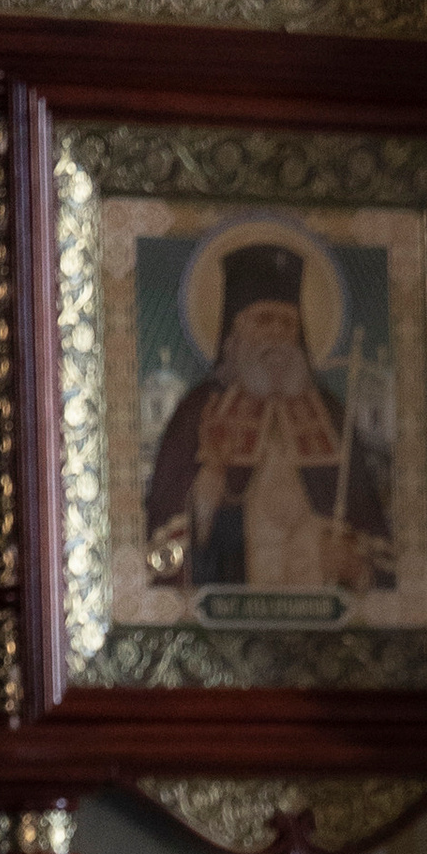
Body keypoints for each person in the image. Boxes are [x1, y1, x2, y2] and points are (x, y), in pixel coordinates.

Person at [143, 240, 392, 599]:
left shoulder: (331, 414)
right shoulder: (198, 411)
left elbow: (373, 538)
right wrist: (211, 475)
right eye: (263, 320)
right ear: (234, 334)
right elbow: (167, 542)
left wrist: (355, 563)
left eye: (287, 322)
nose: (277, 333)